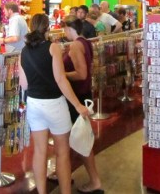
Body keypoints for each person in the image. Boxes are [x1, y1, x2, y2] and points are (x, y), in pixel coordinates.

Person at [18, 13, 90, 194]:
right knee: (62, 153)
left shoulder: (23, 52)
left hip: (34, 104)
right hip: (55, 104)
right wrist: (77, 105)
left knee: (39, 152)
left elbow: (24, 84)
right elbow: (61, 79)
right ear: (47, 28)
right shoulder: (53, 48)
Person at [62, 15, 104, 194]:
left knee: (81, 139)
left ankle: (95, 181)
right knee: (74, 137)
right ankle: (63, 171)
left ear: (69, 28)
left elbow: (81, 74)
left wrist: (61, 74)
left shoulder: (75, 45)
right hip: (82, 95)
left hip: (77, 97)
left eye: (64, 29)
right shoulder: (86, 42)